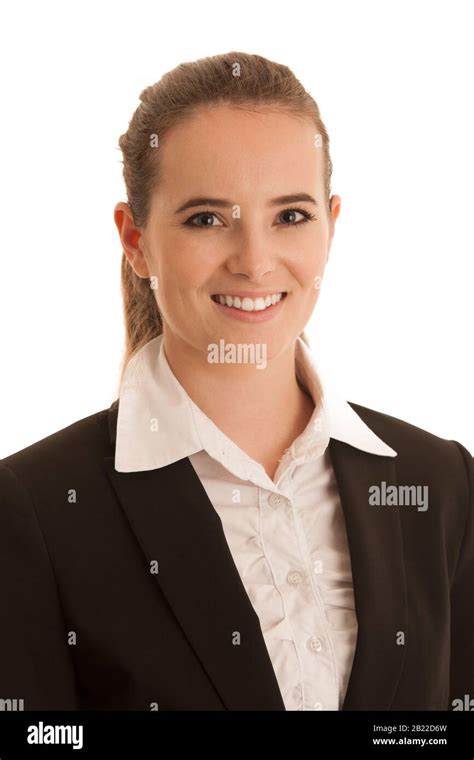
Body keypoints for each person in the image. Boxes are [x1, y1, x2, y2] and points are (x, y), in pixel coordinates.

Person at [0, 51, 472, 712]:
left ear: (332, 225)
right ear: (135, 240)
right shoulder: (32, 509)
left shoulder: (441, 481)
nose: (254, 261)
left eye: (291, 216)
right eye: (206, 219)